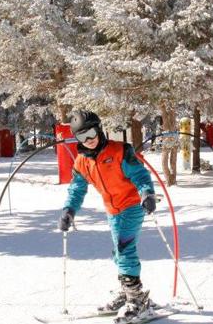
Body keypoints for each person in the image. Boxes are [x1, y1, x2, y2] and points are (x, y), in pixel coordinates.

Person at [58, 110, 157, 324]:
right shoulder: (82, 162)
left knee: (124, 250)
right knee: (117, 252)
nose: (89, 140)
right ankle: (126, 292)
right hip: (112, 210)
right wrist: (69, 210)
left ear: (99, 129)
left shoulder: (121, 151)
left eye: (91, 133)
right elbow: (76, 189)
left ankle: (138, 301)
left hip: (131, 205)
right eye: (82, 137)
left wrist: (147, 193)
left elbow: (140, 175)